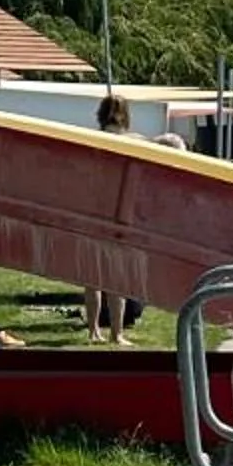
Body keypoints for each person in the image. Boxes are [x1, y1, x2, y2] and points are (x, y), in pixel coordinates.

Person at [83, 96, 144, 344]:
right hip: (121, 213)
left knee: (92, 277)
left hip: (94, 210)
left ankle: (93, 330)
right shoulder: (134, 143)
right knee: (117, 277)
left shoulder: (90, 142)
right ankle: (117, 334)